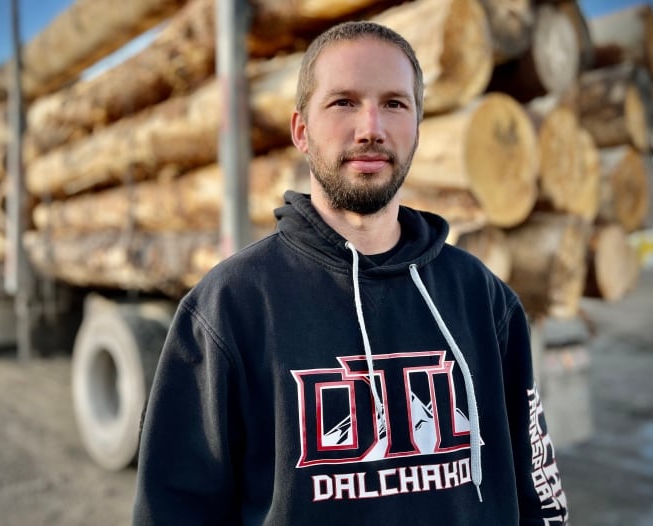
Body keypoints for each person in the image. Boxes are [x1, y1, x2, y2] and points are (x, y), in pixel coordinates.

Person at [132, 20, 569, 525]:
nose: (370, 129)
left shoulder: (484, 299)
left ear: (418, 130)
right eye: (343, 102)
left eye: (394, 104)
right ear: (301, 130)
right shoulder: (230, 307)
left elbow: (540, 496)